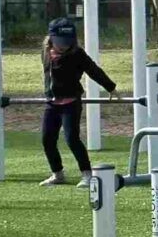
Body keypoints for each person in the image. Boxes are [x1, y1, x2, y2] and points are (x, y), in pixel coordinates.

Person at [37, 18, 117, 186]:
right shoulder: (46, 52)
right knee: (47, 139)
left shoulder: (77, 54)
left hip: (71, 102)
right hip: (52, 103)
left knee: (72, 138)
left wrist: (110, 87)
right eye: (60, 42)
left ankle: (87, 174)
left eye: (68, 42)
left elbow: (94, 70)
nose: (64, 46)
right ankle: (57, 173)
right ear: (51, 38)